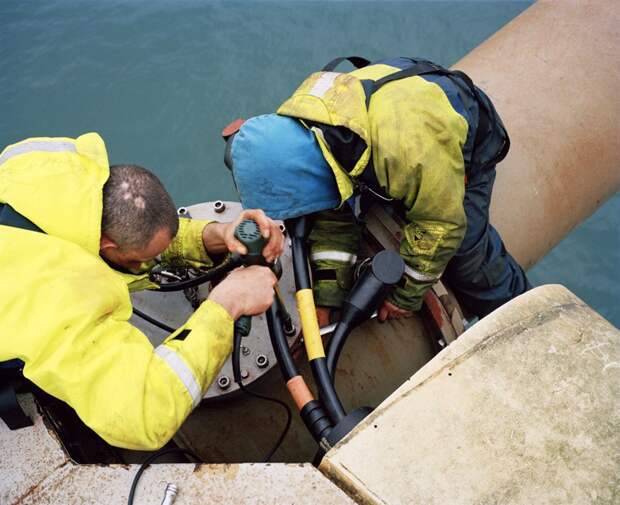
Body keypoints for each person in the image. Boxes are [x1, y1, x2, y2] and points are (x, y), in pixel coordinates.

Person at [0, 132, 283, 450]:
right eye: (142, 261)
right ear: (107, 245)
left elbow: (129, 238)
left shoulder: (45, 173)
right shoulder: (55, 298)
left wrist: (217, 234)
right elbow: (143, 414)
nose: (147, 265)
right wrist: (226, 304)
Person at [223, 56, 530, 326]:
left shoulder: (409, 152)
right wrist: (326, 301)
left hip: (461, 132)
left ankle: (525, 318)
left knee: (468, 260)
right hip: (394, 101)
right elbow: (332, 216)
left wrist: (404, 296)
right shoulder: (304, 133)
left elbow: (441, 226)